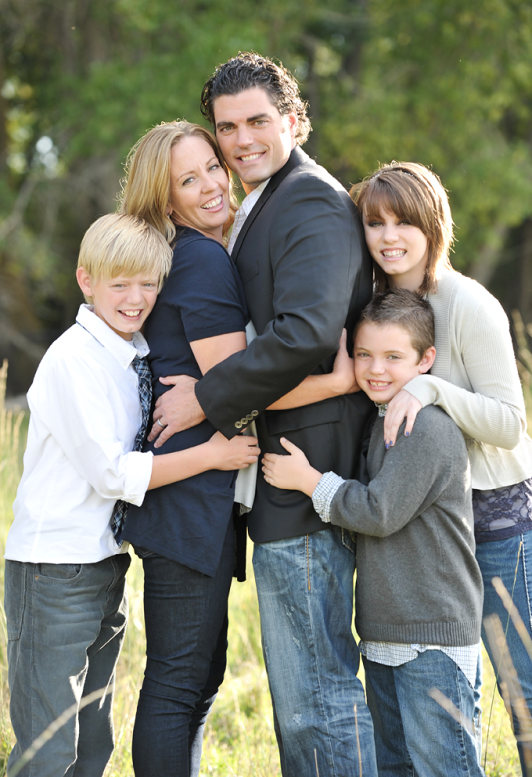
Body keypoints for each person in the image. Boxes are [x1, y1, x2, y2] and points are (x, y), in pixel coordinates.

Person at [147, 53, 378, 777]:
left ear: (293, 119)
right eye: (227, 128)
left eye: (257, 122)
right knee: (303, 698)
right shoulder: (260, 206)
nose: (241, 140)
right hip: (280, 480)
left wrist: (208, 395)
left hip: (304, 481)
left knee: (316, 699)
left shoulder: (305, 198)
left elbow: (306, 332)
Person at [3, 213, 259, 777]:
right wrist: (213, 456)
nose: (136, 298)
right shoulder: (75, 359)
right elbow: (112, 475)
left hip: (103, 565)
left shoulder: (132, 352)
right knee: (48, 748)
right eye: (120, 284)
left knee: (93, 744)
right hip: (52, 571)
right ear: (85, 281)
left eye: (149, 284)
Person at [352, 161, 532, 775]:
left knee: (522, 691)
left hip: (496, 523)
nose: (389, 235)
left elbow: (510, 422)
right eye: (375, 222)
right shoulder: (377, 308)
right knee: (442, 701)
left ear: (434, 225)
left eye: (404, 220)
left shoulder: (469, 303)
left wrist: (432, 391)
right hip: (427, 532)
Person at [262, 288, 486, 777]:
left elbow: (379, 511)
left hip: (433, 638)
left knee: (446, 767)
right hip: (385, 636)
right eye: (364, 354)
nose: (375, 369)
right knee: (396, 767)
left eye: (392, 357)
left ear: (425, 360)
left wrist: (310, 481)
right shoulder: (382, 421)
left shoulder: (426, 428)